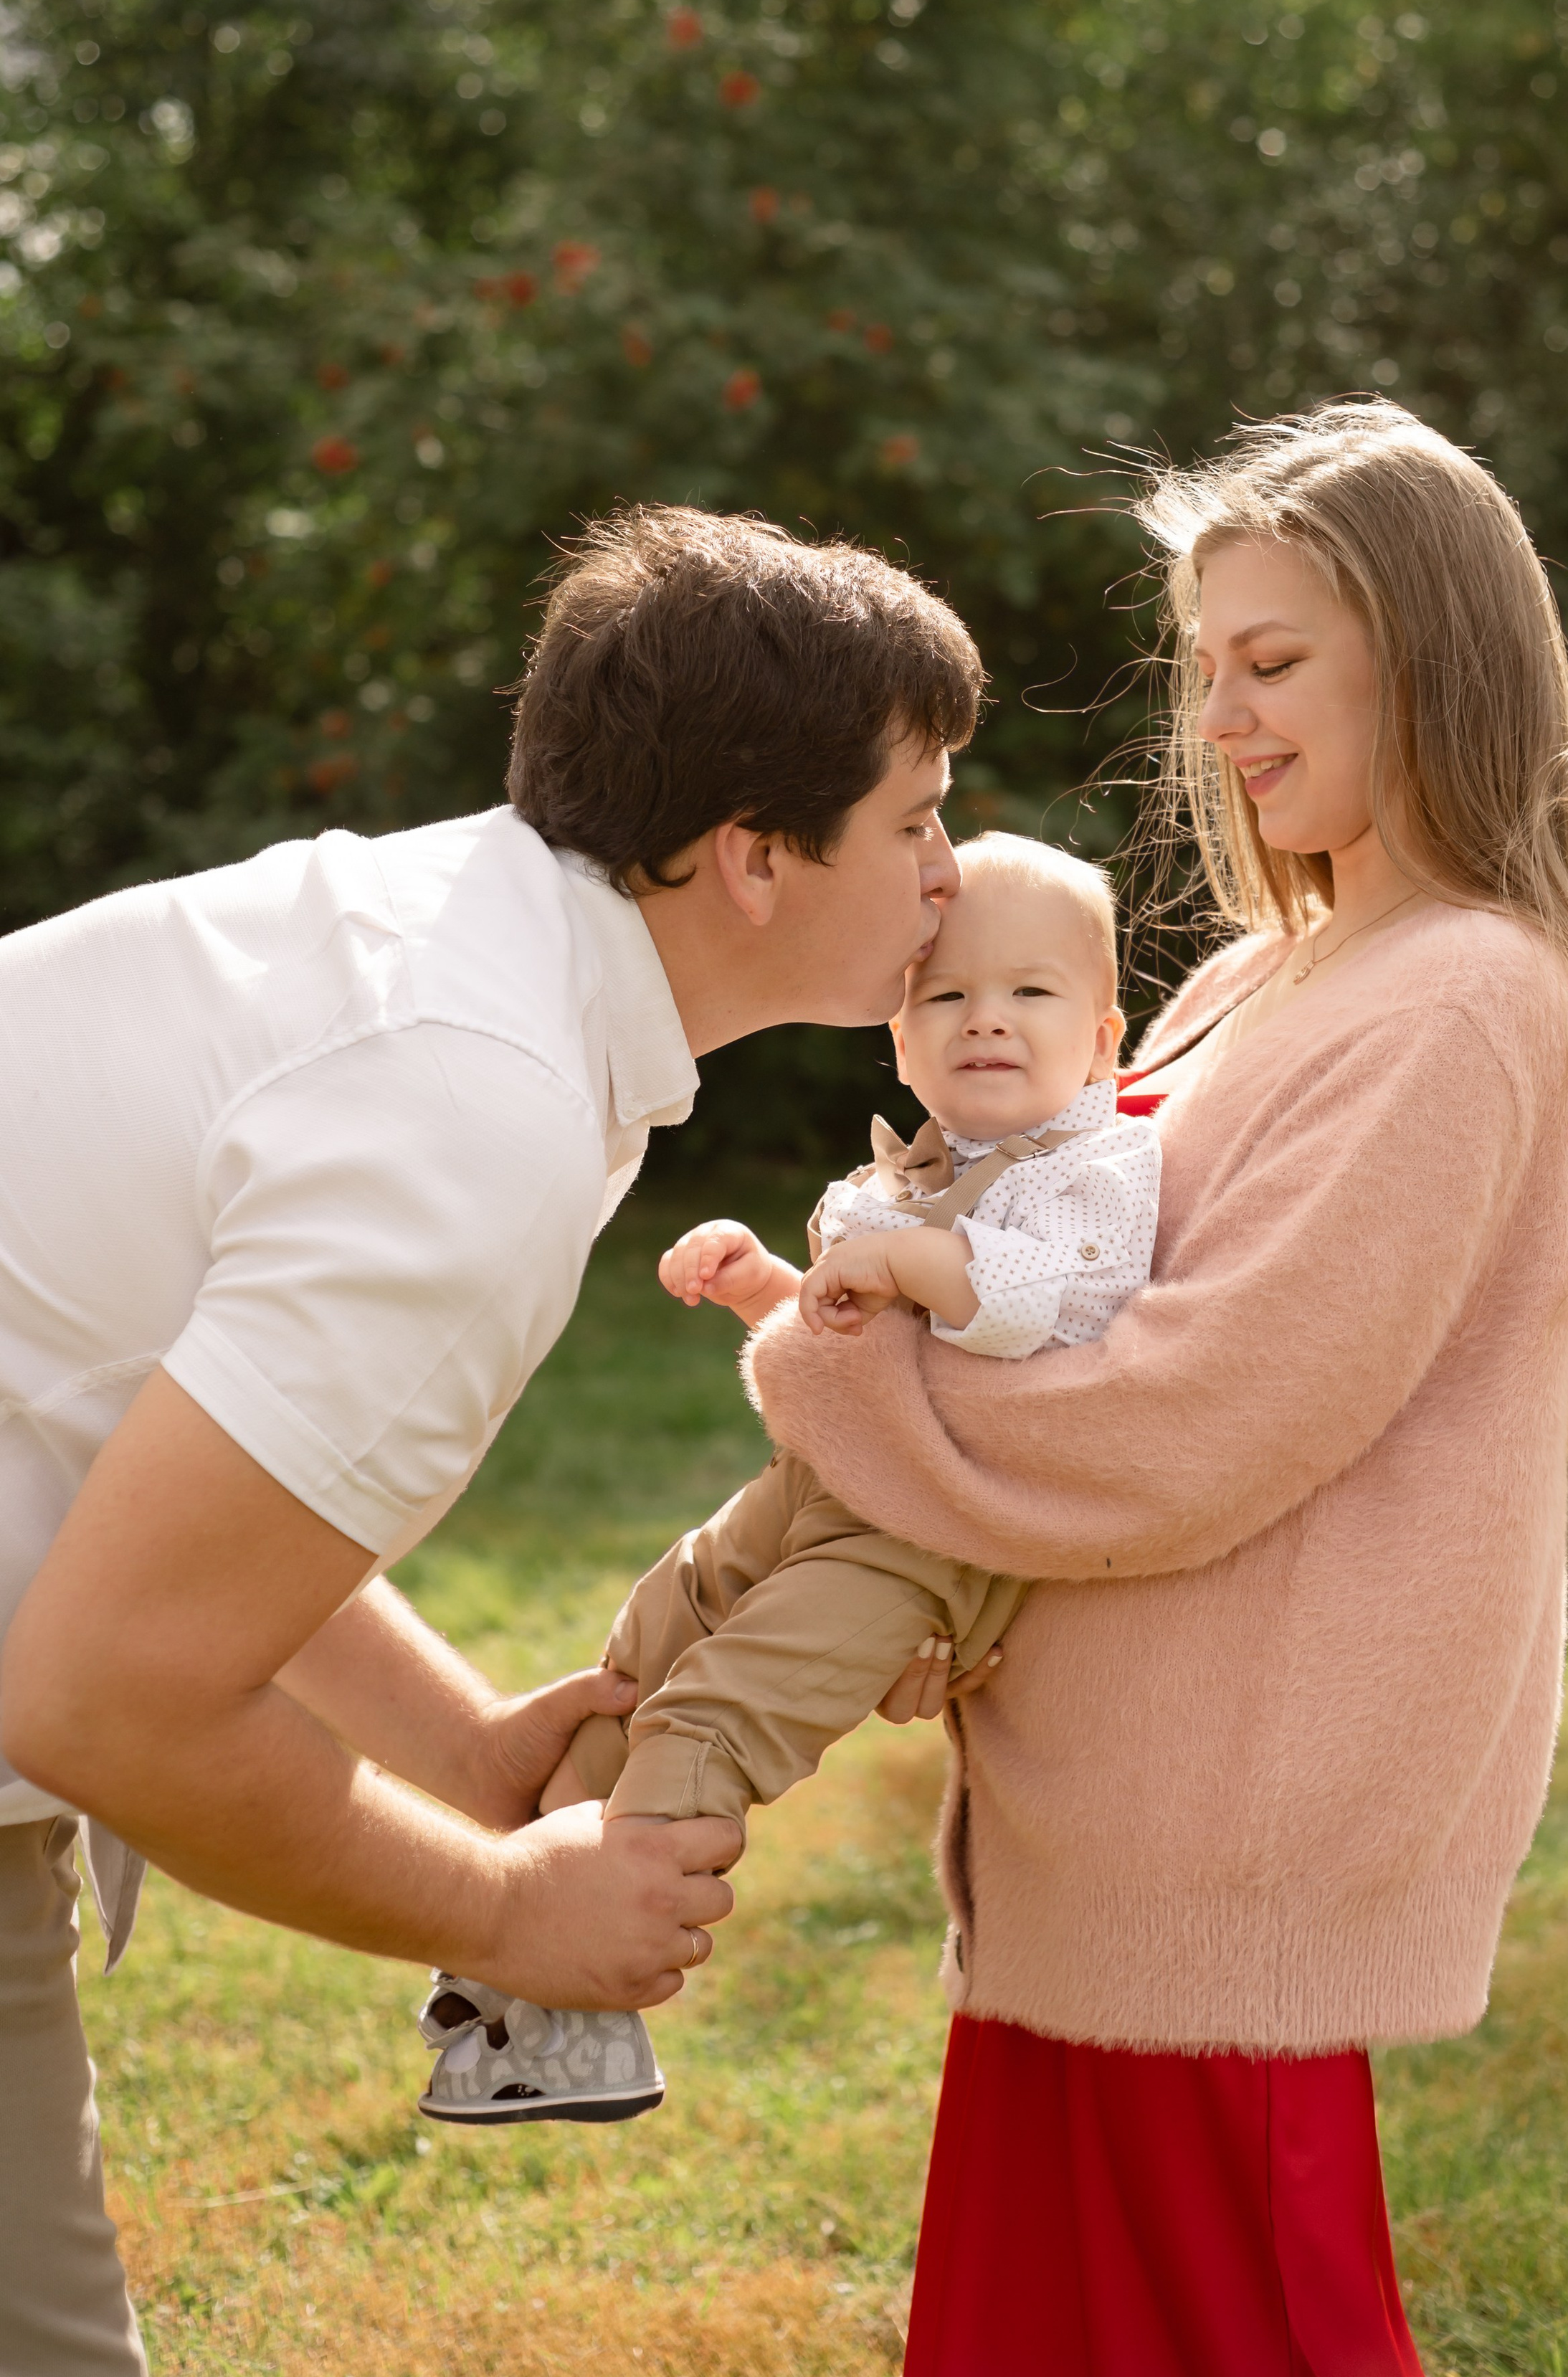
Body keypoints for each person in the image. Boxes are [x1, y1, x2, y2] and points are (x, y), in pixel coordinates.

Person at [746, 402, 1568, 2377]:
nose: (1222, 715)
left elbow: (1187, 1417)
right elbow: (1059, 1298)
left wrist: (841, 1384)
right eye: (1207, 663)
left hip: (1228, 1840)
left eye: (1271, 660)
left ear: (1425, 661)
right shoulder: (1261, 973)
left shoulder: (1464, 995)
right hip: (1102, 1813)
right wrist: (947, 1576)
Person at [0, 506, 982, 2375]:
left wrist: (460, 1749)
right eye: (918, 817)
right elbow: (110, 1696)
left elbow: (162, 1459)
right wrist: (506, 1907)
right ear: (755, 855)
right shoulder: (476, 1101)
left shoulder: (465, 963)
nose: (954, 872)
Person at [413, 831, 1158, 2125]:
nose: (986, 1019)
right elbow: (853, 1342)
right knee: (647, 1649)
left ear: (1102, 1042)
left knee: (715, 1716)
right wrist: (769, 1284)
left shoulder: (1095, 1175)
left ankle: (590, 2009)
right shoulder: (917, 1171)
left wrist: (904, 1263)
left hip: (922, 1537)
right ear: (903, 1041)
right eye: (946, 994)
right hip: (818, 1487)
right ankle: (518, 1924)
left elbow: (1029, 1302)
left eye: (1029, 993)